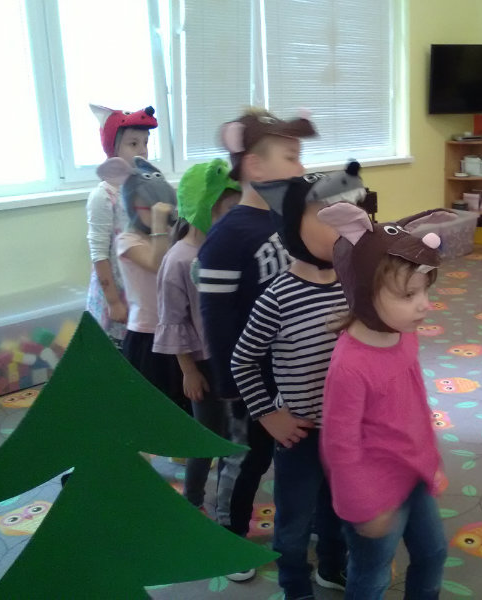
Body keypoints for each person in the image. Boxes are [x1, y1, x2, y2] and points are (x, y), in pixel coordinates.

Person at [231, 163, 365, 599]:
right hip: (300, 433)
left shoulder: (352, 283)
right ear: (294, 227)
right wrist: (269, 416)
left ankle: (331, 567)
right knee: (293, 522)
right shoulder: (278, 296)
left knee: (338, 509)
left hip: (345, 427)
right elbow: (243, 360)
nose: (345, 225)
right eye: (330, 217)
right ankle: (295, 587)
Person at [198, 108, 316, 583]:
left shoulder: (290, 221)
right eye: (291, 157)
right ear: (255, 166)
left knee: (293, 453)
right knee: (246, 458)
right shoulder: (228, 236)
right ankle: (229, 535)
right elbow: (216, 320)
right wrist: (239, 391)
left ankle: (304, 523)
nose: (301, 168)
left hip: (293, 370)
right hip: (250, 380)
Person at [317, 202, 448, 599]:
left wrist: (431, 460)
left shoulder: (404, 335)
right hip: (375, 494)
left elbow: (415, 404)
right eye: (408, 294)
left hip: (414, 473)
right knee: (372, 576)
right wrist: (362, 506)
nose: (425, 304)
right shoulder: (350, 367)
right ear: (364, 292)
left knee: (433, 553)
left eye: (424, 290)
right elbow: (339, 445)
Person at [153, 159, 241, 516]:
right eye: (229, 211)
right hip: (203, 364)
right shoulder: (177, 260)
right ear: (203, 208)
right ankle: (192, 501)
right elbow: (173, 320)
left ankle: (230, 501)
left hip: (234, 357)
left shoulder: (224, 249)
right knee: (206, 437)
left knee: (235, 435)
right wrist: (188, 370)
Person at [86, 105, 158, 346]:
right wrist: (113, 301)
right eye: (133, 144)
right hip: (117, 294)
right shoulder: (103, 196)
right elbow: (98, 253)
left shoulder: (144, 188)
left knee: (142, 350)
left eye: (145, 142)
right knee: (120, 353)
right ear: (113, 149)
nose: (143, 150)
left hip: (141, 289)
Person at [109, 156, 180, 398]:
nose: (159, 214)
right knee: (154, 398)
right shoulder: (127, 241)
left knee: (178, 399)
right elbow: (158, 265)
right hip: (146, 335)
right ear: (133, 207)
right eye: (151, 208)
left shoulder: (167, 235)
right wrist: (160, 225)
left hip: (173, 331)